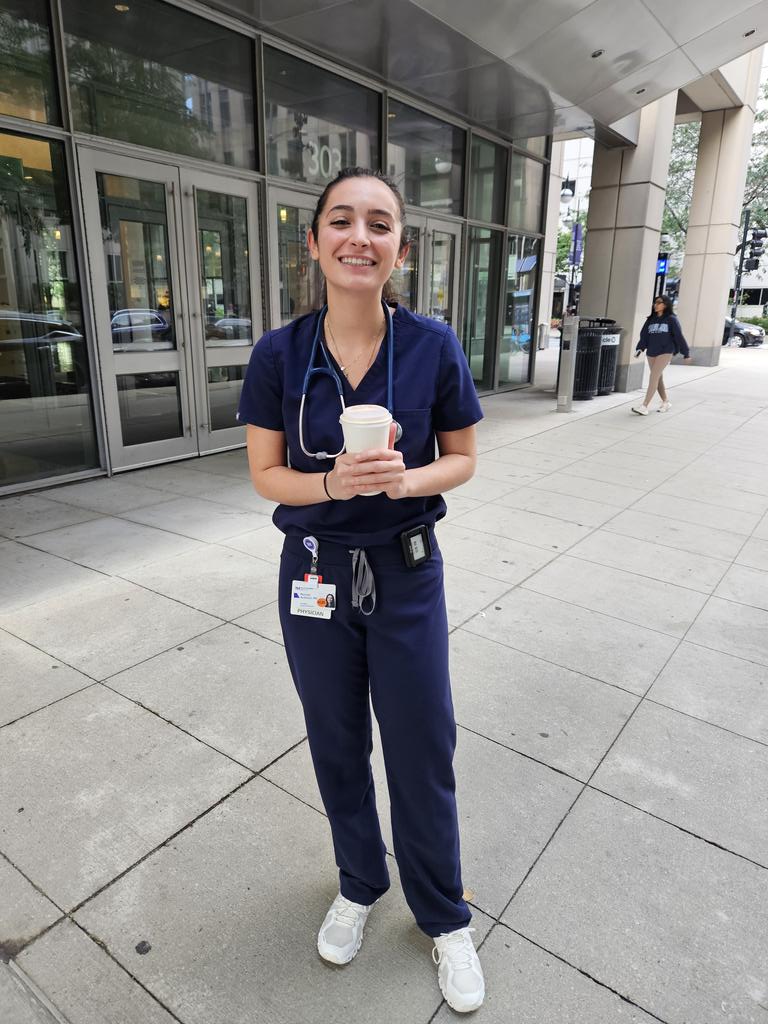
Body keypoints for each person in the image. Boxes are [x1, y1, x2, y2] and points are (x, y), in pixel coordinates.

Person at [237, 167, 485, 1013]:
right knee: (337, 741)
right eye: (341, 221)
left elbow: (464, 458)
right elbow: (268, 475)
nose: (359, 238)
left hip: (407, 571)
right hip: (314, 571)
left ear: (400, 250)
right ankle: (358, 883)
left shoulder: (431, 345)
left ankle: (444, 916)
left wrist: (405, 478)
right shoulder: (279, 353)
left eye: (379, 225)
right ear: (313, 242)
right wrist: (335, 489)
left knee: (422, 743)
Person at [632, 294, 691, 415]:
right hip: (651, 352)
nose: (656, 305)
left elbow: (679, 336)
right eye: (655, 302)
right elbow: (644, 336)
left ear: (665, 304)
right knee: (658, 378)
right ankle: (666, 402)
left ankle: (644, 406)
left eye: (659, 302)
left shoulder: (671, 319)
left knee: (653, 376)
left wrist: (686, 353)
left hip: (665, 352)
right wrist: (640, 348)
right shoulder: (650, 320)